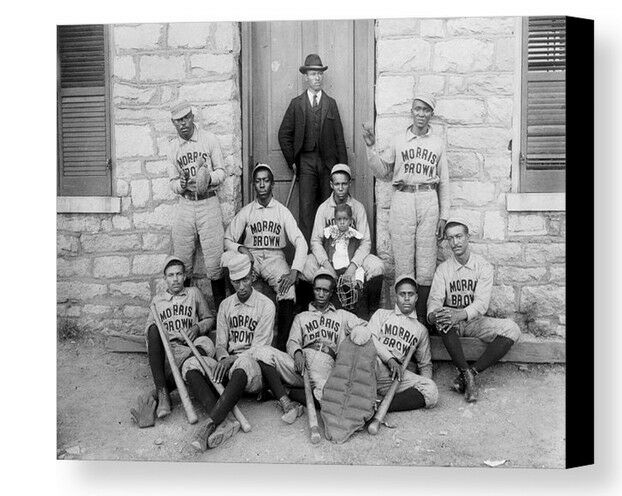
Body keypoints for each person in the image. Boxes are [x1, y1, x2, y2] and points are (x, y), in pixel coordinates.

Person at [362, 93, 449, 325]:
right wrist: (371, 148)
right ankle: (402, 321)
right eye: (417, 109)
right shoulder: (399, 139)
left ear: (431, 113)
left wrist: (445, 215)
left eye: (426, 110)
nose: (421, 114)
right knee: (402, 262)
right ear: (412, 111)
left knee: (427, 263)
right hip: (403, 198)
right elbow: (382, 171)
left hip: (429, 198)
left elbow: (445, 181)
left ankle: (422, 321)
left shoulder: (438, 143)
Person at [185, 252, 276, 451]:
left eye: (245, 280)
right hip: (228, 366)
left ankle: (210, 424)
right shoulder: (226, 305)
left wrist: (232, 359)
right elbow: (220, 344)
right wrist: (224, 358)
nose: (241, 287)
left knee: (242, 363)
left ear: (252, 276)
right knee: (191, 364)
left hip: (252, 370)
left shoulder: (266, 305)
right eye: (236, 281)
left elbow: (259, 349)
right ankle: (225, 422)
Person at [427, 218, 521, 403]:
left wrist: (459, 315)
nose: (455, 242)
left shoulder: (482, 266)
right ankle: (466, 374)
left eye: (459, 236)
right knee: (443, 318)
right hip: (450, 323)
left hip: (474, 320)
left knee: (512, 329)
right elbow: (435, 300)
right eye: (450, 238)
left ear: (468, 237)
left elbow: (481, 304)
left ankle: (470, 373)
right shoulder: (444, 269)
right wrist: (434, 314)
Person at [253, 268, 371, 406]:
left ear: (331, 293)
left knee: (329, 399)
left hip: (325, 362)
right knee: (262, 352)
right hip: (300, 364)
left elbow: (365, 327)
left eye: (325, 291)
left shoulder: (342, 315)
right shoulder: (301, 317)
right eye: (317, 289)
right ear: (313, 290)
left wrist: (353, 341)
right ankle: (286, 396)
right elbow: (292, 341)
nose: (321, 294)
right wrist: (297, 353)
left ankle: (285, 391)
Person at [223, 163, 308, 352]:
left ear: (272, 184)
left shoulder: (281, 211)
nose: (262, 185)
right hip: (251, 255)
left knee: (288, 290)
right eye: (258, 181)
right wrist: (241, 248)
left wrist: (294, 271)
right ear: (254, 184)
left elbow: (300, 241)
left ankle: (281, 346)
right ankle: (237, 337)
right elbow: (228, 238)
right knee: (229, 262)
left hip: (274, 257)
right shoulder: (247, 211)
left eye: (266, 180)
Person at [131, 255, 215, 427]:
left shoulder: (193, 293)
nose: (175, 279)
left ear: (184, 276)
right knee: (153, 329)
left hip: (191, 348)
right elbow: (149, 331)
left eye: (178, 274)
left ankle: (160, 393)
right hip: (169, 351)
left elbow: (208, 318)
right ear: (165, 278)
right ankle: (162, 393)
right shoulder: (157, 300)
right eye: (171, 275)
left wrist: (197, 327)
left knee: (207, 343)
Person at [278, 53, 348, 243]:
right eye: (313, 74)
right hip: (306, 163)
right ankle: (308, 256)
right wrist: (292, 161)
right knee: (307, 209)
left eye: (319, 74)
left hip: (328, 164)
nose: (317, 78)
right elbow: (283, 134)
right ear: (306, 77)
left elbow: (339, 138)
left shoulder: (330, 104)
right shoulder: (297, 104)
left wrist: (342, 169)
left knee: (329, 208)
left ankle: (330, 253)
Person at [302, 164, 385, 319]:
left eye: (344, 183)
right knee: (305, 266)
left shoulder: (358, 208)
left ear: (349, 184)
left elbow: (366, 242)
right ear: (331, 184)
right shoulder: (324, 208)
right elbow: (315, 241)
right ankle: (307, 312)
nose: (340, 188)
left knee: (377, 266)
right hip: (328, 259)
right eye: (337, 184)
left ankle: (371, 311)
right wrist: (326, 264)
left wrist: (352, 267)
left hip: (352, 258)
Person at [167, 102, 228, 310]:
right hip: (186, 204)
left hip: (208, 201)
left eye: (186, 118)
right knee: (182, 261)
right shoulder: (173, 148)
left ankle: (222, 318)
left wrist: (208, 178)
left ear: (192, 117)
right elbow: (172, 182)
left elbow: (222, 171)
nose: (183, 124)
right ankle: (183, 314)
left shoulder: (208, 139)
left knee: (215, 262)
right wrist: (180, 184)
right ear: (173, 123)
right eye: (178, 121)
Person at [368, 275, 439, 412]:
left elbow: (425, 364)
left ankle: (380, 406)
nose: (406, 298)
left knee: (431, 390)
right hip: (374, 364)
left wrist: (420, 387)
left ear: (416, 298)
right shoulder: (382, 314)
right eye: (402, 294)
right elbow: (370, 338)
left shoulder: (421, 329)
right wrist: (390, 359)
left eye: (410, 294)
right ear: (396, 297)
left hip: (393, 376)